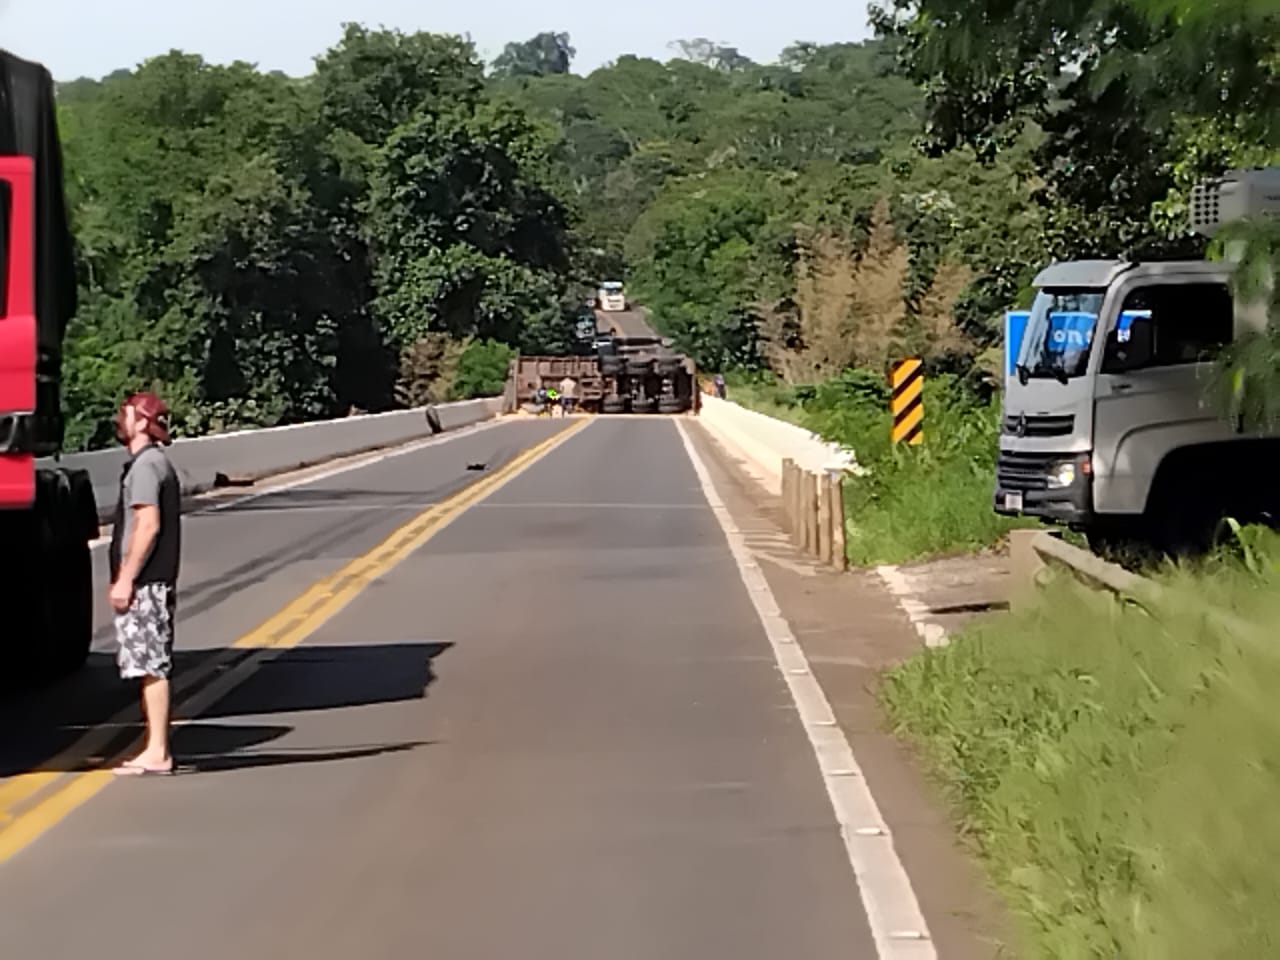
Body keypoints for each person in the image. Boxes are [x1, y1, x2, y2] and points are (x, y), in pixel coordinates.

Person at [108, 391, 182, 776]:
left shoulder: (147, 467)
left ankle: (158, 751)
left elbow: (147, 524)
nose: (120, 418)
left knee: (152, 664)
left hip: (148, 582)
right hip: (153, 581)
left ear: (141, 422)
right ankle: (155, 748)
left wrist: (126, 578)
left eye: (126, 413)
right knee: (149, 663)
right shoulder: (152, 464)